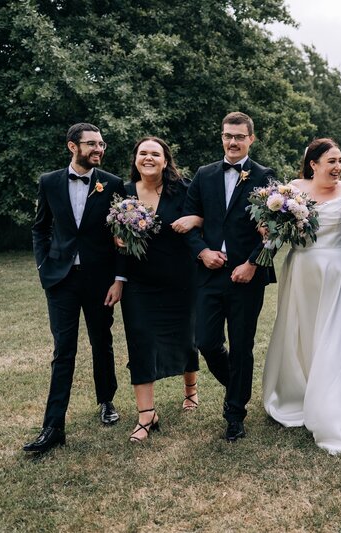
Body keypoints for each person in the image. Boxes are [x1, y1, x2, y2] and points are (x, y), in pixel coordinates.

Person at [262, 138, 341, 454]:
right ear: (313, 164)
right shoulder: (291, 191)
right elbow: (273, 229)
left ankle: (334, 413)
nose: (338, 167)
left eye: (340, 160)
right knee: (303, 334)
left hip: (339, 271)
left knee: (336, 337)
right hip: (302, 269)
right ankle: (300, 393)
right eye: (331, 161)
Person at [25, 123, 126, 454]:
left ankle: (106, 399)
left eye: (101, 144)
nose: (99, 149)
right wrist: (44, 266)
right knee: (63, 350)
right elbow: (40, 228)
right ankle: (53, 426)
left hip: (99, 280)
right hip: (61, 279)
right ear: (73, 147)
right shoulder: (50, 182)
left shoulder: (111, 183)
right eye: (92, 144)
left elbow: (122, 235)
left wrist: (117, 279)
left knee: (102, 341)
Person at [183, 112, 276, 442]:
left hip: (247, 276)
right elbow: (188, 222)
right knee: (205, 341)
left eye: (239, 136)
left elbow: (276, 230)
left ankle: (235, 413)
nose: (233, 142)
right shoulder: (204, 174)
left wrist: (252, 263)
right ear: (221, 138)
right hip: (209, 274)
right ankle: (239, 385)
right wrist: (202, 252)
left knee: (241, 347)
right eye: (227, 136)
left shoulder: (265, 177)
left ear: (251, 138)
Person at [117, 137, 201, 443]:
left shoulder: (183, 188)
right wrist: (117, 238)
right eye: (143, 153)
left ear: (166, 160)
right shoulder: (124, 194)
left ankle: (190, 391)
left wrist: (196, 217)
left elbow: (209, 216)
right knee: (140, 341)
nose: (148, 158)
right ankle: (146, 415)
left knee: (185, 338)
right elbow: (112, 235)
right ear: (136, 159)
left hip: (181, 277)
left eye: (155, 153)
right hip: (139, 282)